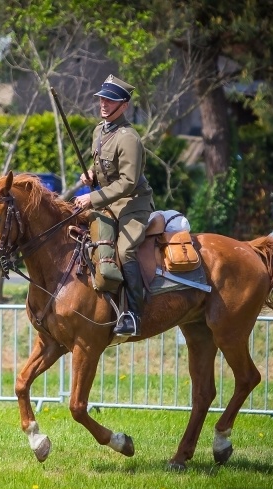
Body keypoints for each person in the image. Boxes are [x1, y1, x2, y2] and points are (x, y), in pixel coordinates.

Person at [73, 75, 154, 336]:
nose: (104, 104)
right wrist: (91, 175)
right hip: (108, 202)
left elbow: (128, 182)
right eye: (102, 99)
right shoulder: (100, 130)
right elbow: (104, 167)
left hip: (132, 204)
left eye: (110, 101)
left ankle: (133, 314)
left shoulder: (129, 138)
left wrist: (92, 197)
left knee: (125, 250)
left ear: (124, 105)